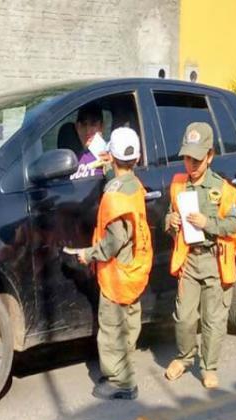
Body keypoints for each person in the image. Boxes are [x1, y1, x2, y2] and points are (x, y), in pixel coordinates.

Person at [65, 127, 153, 400]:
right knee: (128, 324)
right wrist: (109, 168)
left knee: (112, 328)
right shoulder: (134, 185)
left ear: (111, 157)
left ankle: (121, 382)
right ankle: (123, 370)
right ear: (136, 159)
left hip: (116, 274)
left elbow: (113, 240)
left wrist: (89, 254)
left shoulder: (114, 195)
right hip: (133, 268)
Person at [164, 122, 236, 389]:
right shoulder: (178, 185)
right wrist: (171, 220)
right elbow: (168, 215)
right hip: (189, 259)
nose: (192, 164)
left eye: (197, 158)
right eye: (187, 157)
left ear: (210, 156)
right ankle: (184, 357)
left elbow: (233, 225)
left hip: (214, 261)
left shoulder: (224, 190)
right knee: (184, 317)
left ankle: (209, 366)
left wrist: (207, 223)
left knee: (213, 320)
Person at [69, 103, 106, 180]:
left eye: (93, 124)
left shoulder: (112, 157)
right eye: (83, 124)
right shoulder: (70, 163)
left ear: (102, 126)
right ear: (77, 127)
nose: (88, 131)